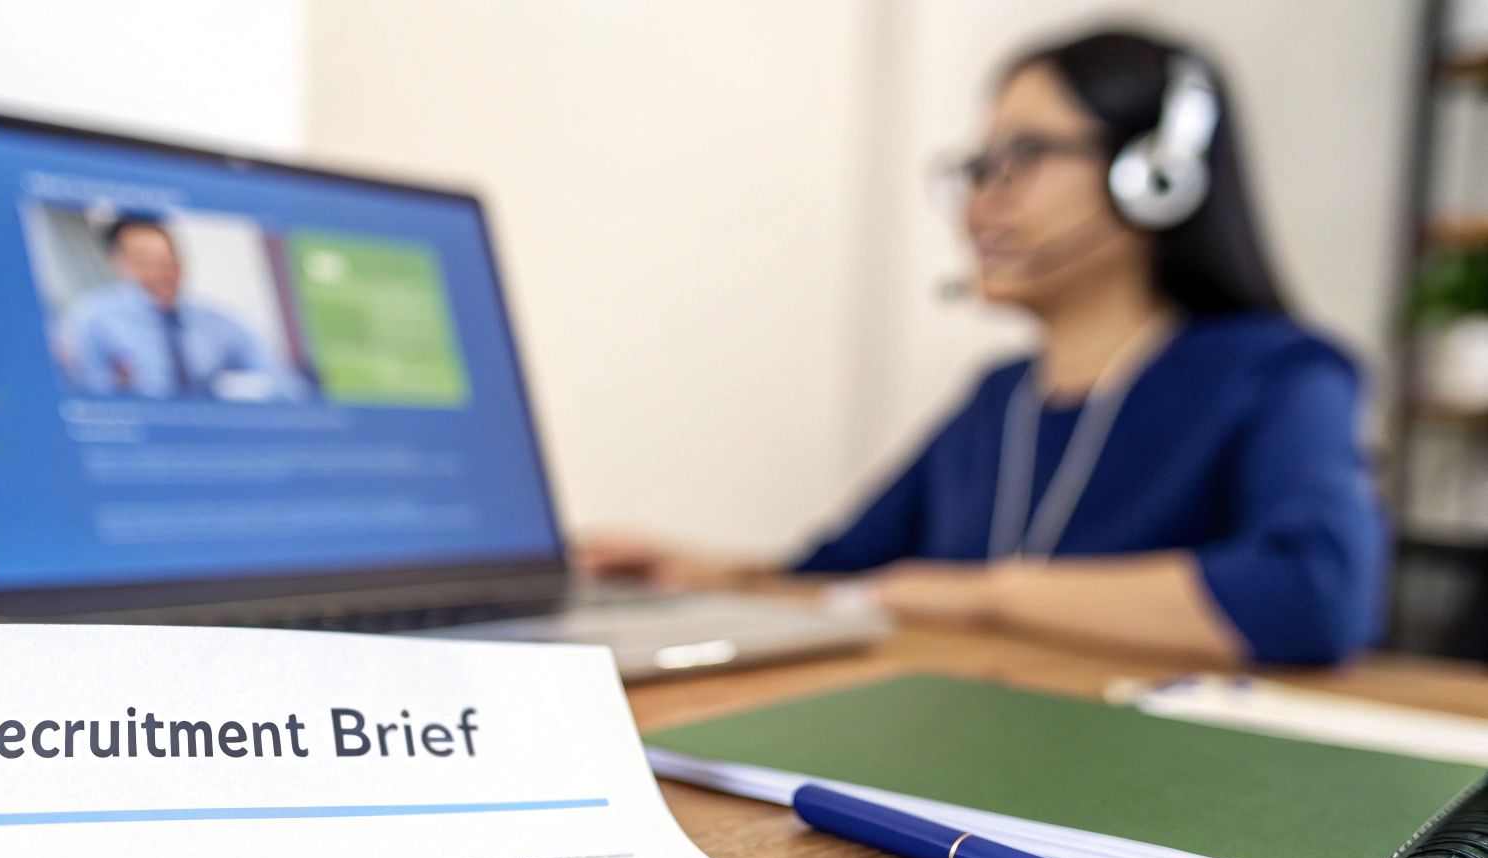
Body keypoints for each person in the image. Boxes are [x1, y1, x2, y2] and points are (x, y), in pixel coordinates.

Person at [583, 29, 1384, 666]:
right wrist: (703, 572)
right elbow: (850, 571)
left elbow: (1316, 594)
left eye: (1022, 158)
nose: (977, 206)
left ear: (1155, 176)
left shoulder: (1280, 373)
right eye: (977, 168)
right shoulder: (1002, 399)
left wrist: (987, 595)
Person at [61, 216, 312, 400]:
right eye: (145, 261)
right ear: (120, 263)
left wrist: (242, 393)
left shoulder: (218, 322)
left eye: (167, 259)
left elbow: (286, 384)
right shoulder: (92, 319)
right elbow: (85, 395)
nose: (161, 272)